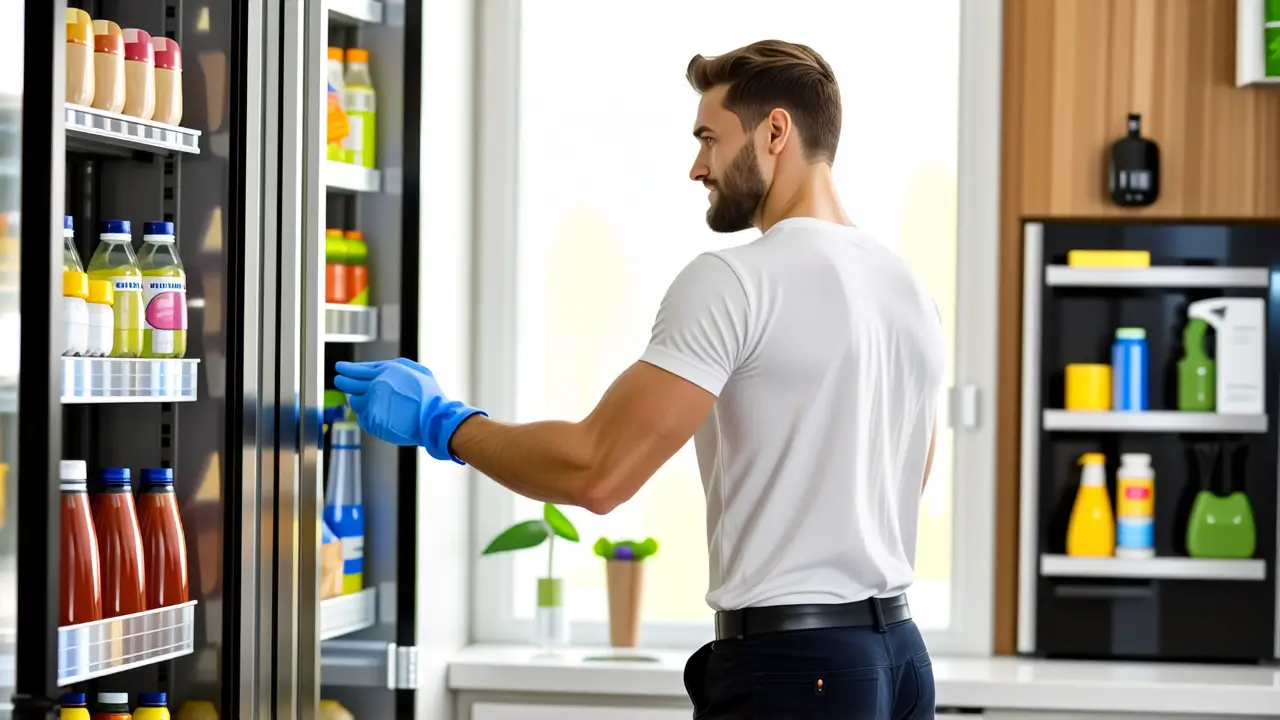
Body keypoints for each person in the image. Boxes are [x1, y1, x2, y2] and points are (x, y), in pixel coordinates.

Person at [334, 39, 943, 719]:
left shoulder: (736, 280)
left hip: (799, 669)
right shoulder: (907, 289)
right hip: (900, 660)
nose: (697, 167)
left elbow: (598, 472)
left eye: (709, 139)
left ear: (776, 131)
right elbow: (905, 479)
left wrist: (443, 423)